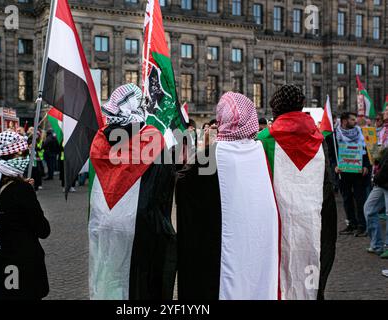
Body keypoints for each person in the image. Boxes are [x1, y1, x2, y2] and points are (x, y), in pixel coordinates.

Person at [176, 92, 279, 300]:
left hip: (220, 248)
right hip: (256, 238)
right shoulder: (259, 149)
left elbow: (183, 186)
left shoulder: (212, 154)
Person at [88, 84, 176, 300]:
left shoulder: (100, 138)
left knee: (108, 273)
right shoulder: (151, 138)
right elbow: (163, 187)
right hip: (139, 226)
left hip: (103, 222)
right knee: (137, 282)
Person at [257, 84, 337, 300]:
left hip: (278, 224)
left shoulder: (263, 140)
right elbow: (327, 185)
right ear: (302, 107)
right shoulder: (319, 139)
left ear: (275, 109)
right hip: (314, 220)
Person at [0, 131, 50, 300]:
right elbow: (43, 229)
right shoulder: (21, 190)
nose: (25, 158)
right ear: (11, 157)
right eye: (22, 153)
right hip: (20, 263)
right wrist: (27, 192)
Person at [334, 112, 370, 237]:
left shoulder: (361, 133)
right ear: (344, 121)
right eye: (352, 119)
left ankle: (362, 225)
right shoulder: (335, 134)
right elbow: (332, 155)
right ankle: (351, 224)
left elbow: (367, 151)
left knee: (360, 200)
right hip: (343, 173)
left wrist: (366, 165)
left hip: (359, 172)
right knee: (346, 199)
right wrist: (335, 166)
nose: (355, 121)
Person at [364, 111, 388, 258]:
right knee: (369, 209)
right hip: (380, 177)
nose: (384, 112)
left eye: (386, 111)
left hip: (386, 176)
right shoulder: (383, 131)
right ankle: (376, 244)